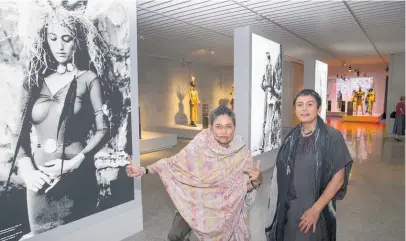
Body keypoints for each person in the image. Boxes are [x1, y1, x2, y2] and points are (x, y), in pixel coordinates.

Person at [5, 4, 110, 239]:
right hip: (39, 181)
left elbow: (104, 129)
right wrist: (29, 171)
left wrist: (76, 163)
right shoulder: (33, 80)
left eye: (66, 38)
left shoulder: (88, 79)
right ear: (45, 40)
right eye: (53, 38)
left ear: (77, 41)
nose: (60, 46)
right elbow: (17, 134)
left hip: (77, 175)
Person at [127, 106, 263, 240]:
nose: (224, 132)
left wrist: (257, 180)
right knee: (175, 236)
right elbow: (171, 164)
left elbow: (242, 189)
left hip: (224, 212)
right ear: (211, 127)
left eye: (228, 126)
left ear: (234, 127)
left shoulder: (241, 155)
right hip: (194, 201)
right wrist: (143, 170)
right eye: (219, 126)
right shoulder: (200, 144)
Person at [265, 89, 353, 241]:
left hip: (316, 210)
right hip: (289, 209)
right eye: (300, 104)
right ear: (295, 109)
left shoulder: (331, 137)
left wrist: (315, 210)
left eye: (309, 104)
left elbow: (338, 179)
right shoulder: (291, 137)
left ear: (318, 108)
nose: (304, 109)